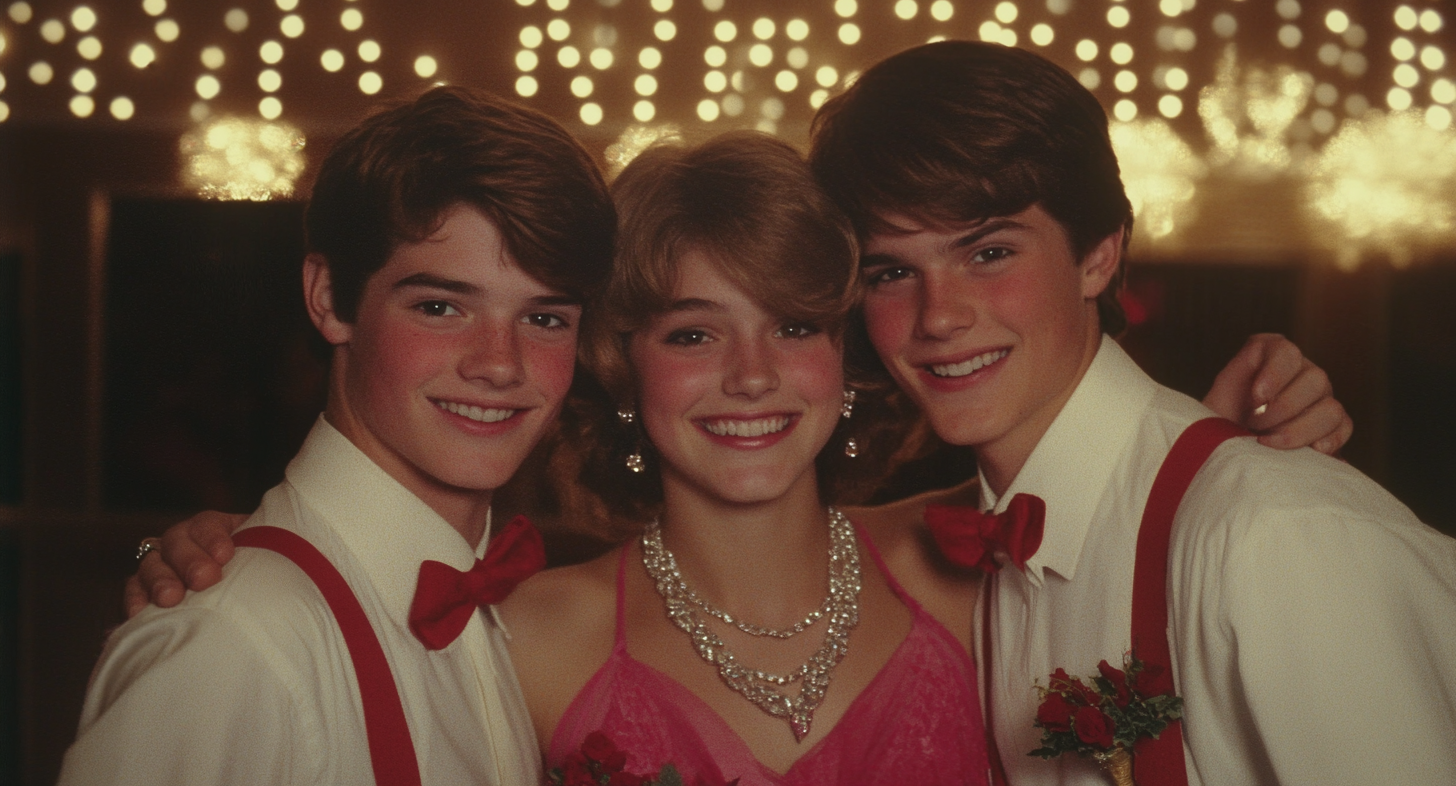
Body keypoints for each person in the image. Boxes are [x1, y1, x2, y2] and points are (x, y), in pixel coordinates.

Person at [126, 130, 1350, 784]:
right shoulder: (515, 635)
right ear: (621, 359)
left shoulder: (970, 569)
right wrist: (231, 559)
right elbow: (339, 617)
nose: (752, 378)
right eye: (694, 331)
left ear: (846, 355)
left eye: (796, 325)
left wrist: (1228, 426)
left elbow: (1124, 493)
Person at [808, 39, 1456, 786]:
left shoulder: (1277, 535)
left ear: (1099, 254)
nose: (940, 317)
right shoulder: (993, 557)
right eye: (892, 272)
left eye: (988, 253)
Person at [59, 86, 616, 785]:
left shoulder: (512, 629)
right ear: (329, 298)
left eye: (544, 318)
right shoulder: (234, 642)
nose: (500, 364)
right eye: (441, 306)